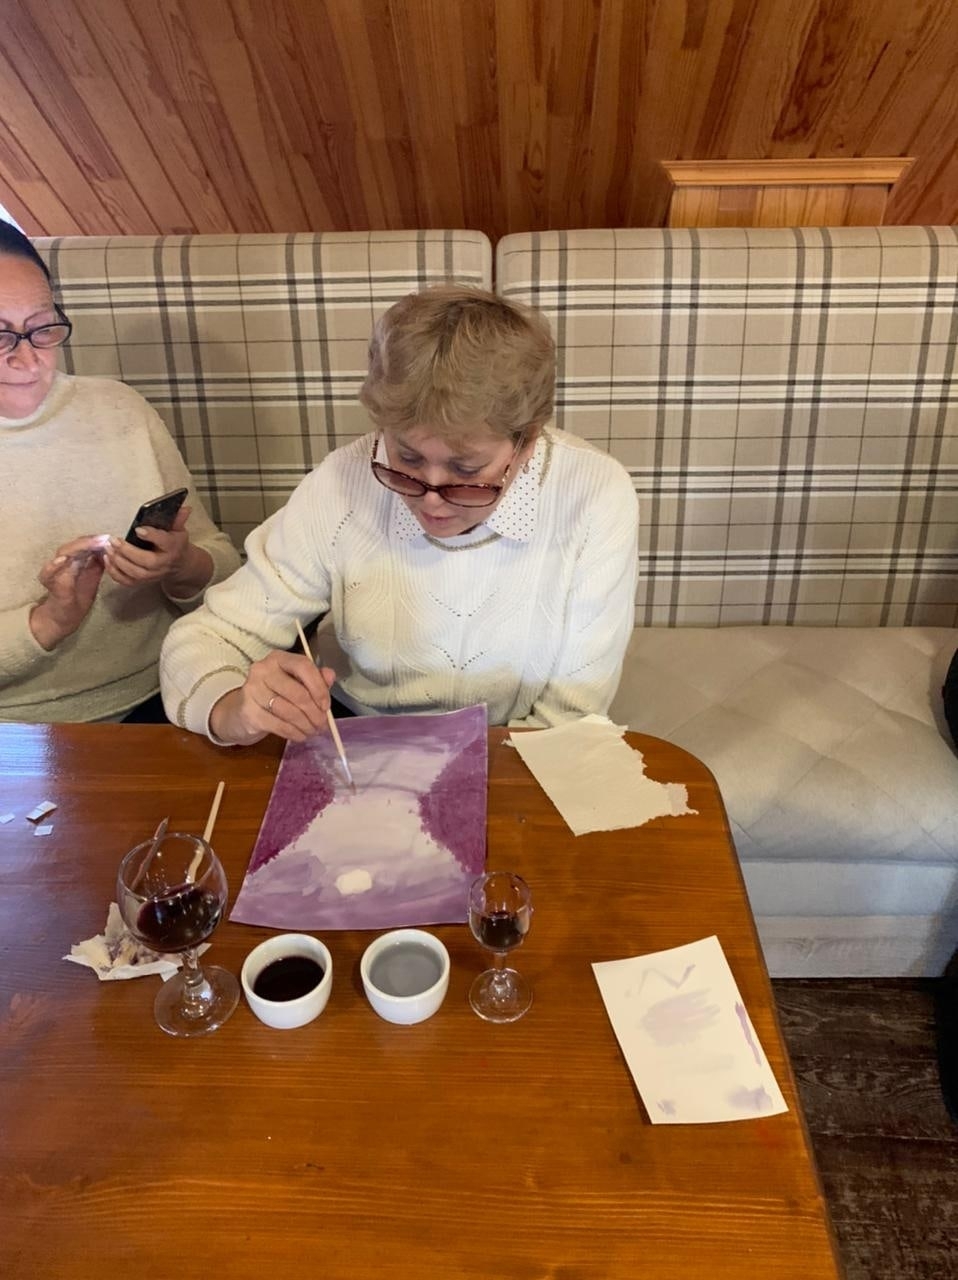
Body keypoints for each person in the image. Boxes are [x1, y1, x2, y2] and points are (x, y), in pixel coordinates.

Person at [160, 285, 638, 744]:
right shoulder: (343, 481)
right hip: (355, 736)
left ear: (527, 441)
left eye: (466, 470)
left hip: (514, 744)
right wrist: (233, 710)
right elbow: (207, 636)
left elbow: (569, 716)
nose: (430, 499)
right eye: (406, 458)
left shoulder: (594, 495)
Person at [0, 220, 240, 723]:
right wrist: (48, 622)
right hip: (17, 730)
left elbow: (223, 570)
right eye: (0, 336)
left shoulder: (118, 408)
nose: (29, 360)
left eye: (42, 327)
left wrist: (182, 565)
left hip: (164, 695)